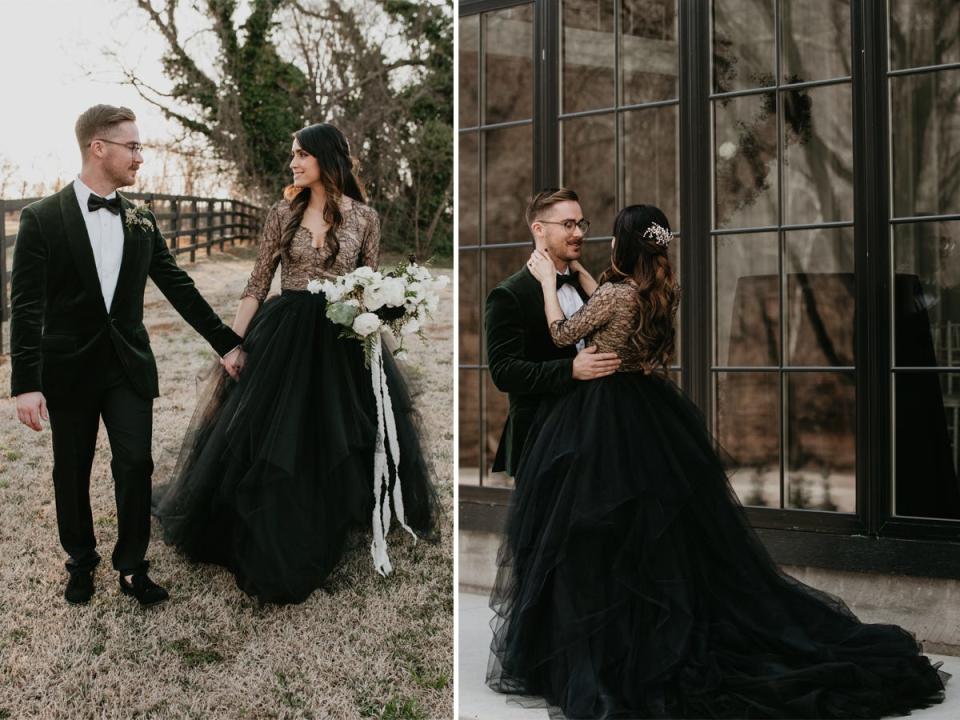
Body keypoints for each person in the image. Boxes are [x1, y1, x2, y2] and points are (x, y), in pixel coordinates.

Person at [486, 204, 947, 718]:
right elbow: (618, 315)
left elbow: (562, 336)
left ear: (623, 245)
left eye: (604, 234)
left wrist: (550, 283)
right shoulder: (662, 290)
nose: (592, 238)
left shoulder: (614, 294)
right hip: (650, 410)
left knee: (604, 531)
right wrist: (592, 281)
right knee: (655, 532)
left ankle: (618, 644)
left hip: (605, 414)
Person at [153, 122, 437, 605]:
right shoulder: (282, 213)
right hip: (285, 332)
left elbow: (367, 282)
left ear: (326, 158)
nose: (293, 163)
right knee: (275, 434)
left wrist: (388, 315)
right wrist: (232, 344)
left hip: (342, 335)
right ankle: (275, 527)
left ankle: (335, 515)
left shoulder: (365, 217)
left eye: (301, 154)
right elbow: (258, 281)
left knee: (337, 432)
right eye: (292, 155)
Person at [9, 104, 243, 607]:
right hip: (68, 368)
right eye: (132, 146)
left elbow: (178, 286)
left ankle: (133, 566)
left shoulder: (140, 219)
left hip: (128, 367)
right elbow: (25, 308)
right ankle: (81, 560)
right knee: (70, 468)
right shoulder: (41, 218)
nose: (140, 157)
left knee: (135, 464)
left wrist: (226, 341)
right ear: (99, 148)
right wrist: (26, 383)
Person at [485, 188, 620, 478]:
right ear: (539, 229)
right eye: (568, 225)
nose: (579, 233)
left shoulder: (587, 285)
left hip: (596, 432)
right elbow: (504, 372)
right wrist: (570, 369)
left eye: (581, 223)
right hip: (542, 439)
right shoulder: (508, 294)